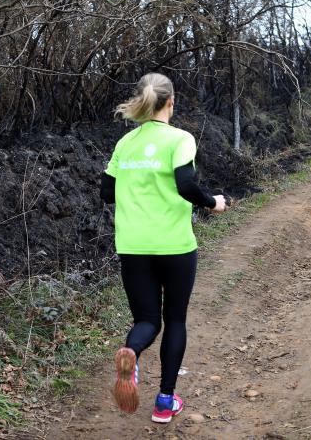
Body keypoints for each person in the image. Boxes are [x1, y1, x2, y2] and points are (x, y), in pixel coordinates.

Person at [100, 73, 227, 423]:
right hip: (173, 244)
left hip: (133, 244)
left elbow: (106, 193)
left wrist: (137, 188)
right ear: (171, 103)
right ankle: (165, 402)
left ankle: (132, 352)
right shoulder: (180, 138)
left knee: (146, 320)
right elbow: (185, 183)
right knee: (174, 320)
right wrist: (211, 202)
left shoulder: (125, 144)